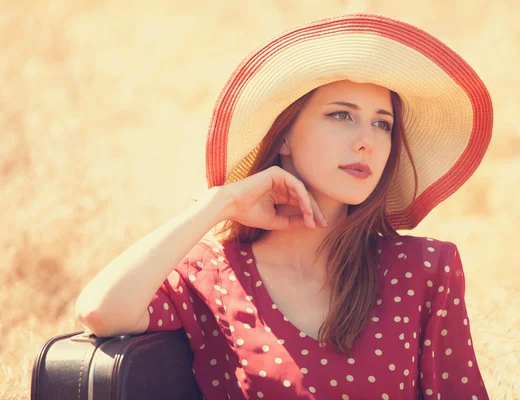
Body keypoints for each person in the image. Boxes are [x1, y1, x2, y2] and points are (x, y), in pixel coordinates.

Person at [76, 13, 493, 400]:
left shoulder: (422, 268)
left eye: (382, 123)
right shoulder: (210, 278)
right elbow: (100, 310)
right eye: (341, 116)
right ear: (284, 137)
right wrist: (219, 203)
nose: (367, 139)